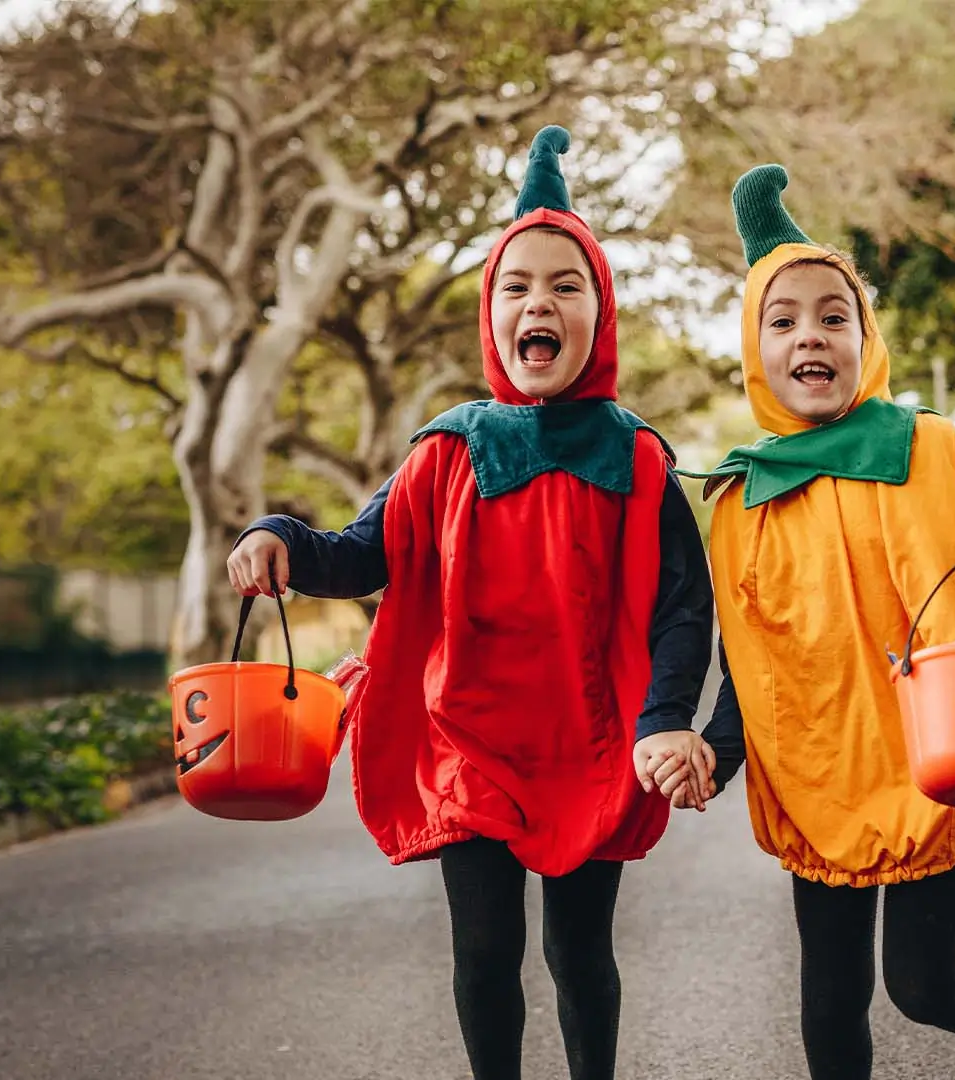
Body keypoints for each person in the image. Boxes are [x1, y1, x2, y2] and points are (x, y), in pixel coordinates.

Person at [224, 125, 716, 1080]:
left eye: (566, 285)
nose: (541, 301)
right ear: (490, 317)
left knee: (580, 955)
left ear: (600, 313)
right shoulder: (447, 449)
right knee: (485, 952)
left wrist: (664, 719)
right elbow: (360, 552)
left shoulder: (638, 455)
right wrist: (281, 533)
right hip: (469, 738)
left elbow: (683, 610)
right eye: (516, 286)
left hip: (592, 738)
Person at [647, 163, 955, 1080]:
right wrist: (714, 755)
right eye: (784, 319)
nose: (810, 334)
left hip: (940, 757)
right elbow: (752, 662)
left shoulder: (937, 447)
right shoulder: (742, 496)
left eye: (832, 316)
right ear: (754, 350)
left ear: (865, 337)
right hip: (820, 773)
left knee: (920, 985)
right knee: (829, 996)